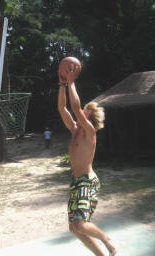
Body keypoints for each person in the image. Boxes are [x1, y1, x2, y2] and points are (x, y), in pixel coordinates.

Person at [58, 59, 116, 256]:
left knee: (80, 223)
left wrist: (72, 82)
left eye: (85, 111)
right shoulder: (75, 129)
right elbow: (63, 109)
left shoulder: (90, 131)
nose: (82, 112)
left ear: (89, 117)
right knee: (74, 228)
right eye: (83, 110)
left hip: (87, 182)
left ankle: (106, 238)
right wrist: (62, 84)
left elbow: (74, 108)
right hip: (76, 182)